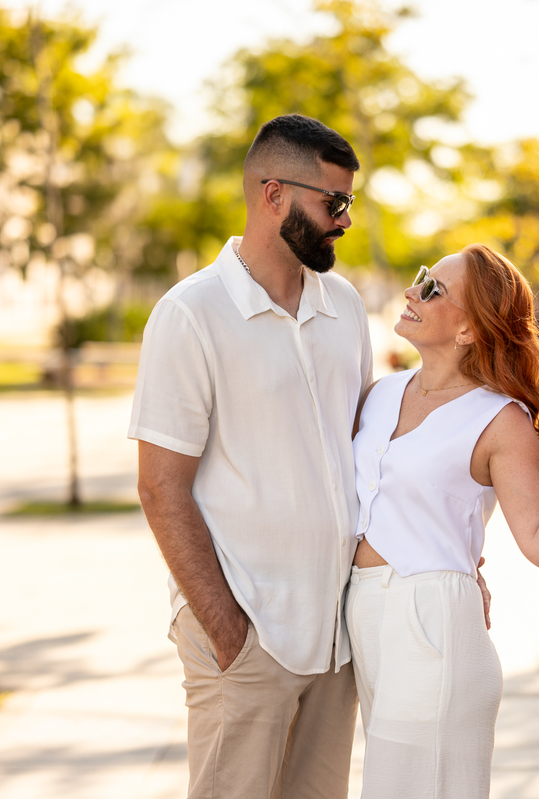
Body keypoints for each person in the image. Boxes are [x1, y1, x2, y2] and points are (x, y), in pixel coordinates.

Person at [129, 114, 372, 799]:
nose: (344, 221)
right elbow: (160, 486)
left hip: (335, 640)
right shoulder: (190, 315)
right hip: (245, 638)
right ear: (273, 195)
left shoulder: (347, 307)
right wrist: (228, 631)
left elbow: (363, 448)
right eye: (333, 202)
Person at [346, 244, 539, 798]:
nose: (412, 293)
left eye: (434, 289)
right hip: (365, 616)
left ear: (467, 330)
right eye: (420, 279)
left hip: (431, 622)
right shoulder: (381, 395)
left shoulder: (498, 419)